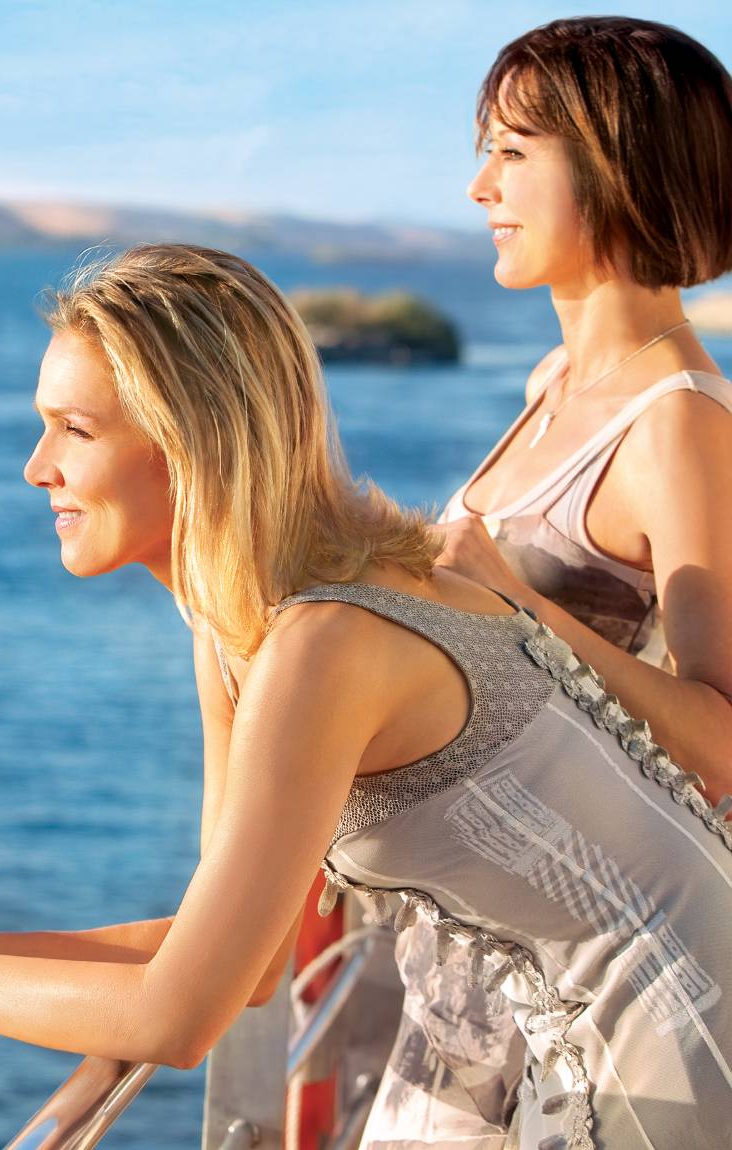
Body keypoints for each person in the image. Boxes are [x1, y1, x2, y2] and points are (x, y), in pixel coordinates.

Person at [0, 244, 732, 1150]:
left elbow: (182, 1018)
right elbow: (246, 956)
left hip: (669, 1044)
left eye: (75, 429)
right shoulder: (249, 628)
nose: (37, 467)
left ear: (188, 443)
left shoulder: (326, 643)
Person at [371, 19, 732, 1145]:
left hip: (572, 1014)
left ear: (613, 163)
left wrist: (514, 605)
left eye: (513, 152)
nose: (479, 186)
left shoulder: (675, 423)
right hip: (467, 975)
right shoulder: (552, 379)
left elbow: (720, 741)